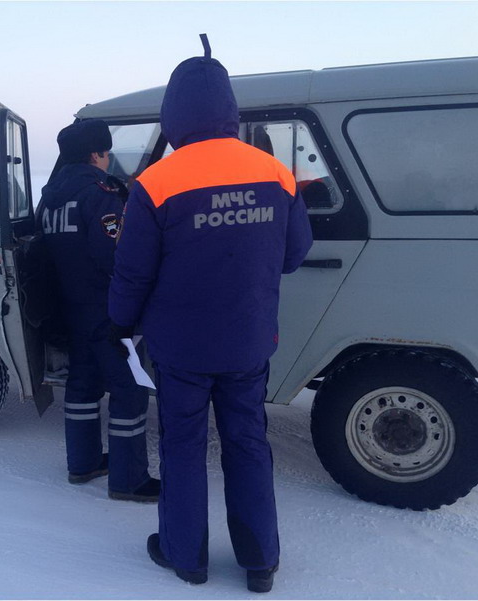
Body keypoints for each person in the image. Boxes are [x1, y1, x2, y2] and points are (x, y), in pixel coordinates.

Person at [108, 39, 313, 592]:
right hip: (249, 342)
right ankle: (259, 562)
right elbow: (294, 255)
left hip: (180, 349)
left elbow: (133, 274)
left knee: (182, 444)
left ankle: (186, 557)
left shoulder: (155, 183)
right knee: (248, 444)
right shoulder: (276, 173)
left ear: (172, 115)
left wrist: (120, 323)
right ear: (230, 109)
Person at [37, 119, 160, 502]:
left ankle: (84, 462)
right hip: (107, 308)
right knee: (129, 390)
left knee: (82, 385)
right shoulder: (101, 193)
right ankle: (128, 479)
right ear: (96, 154)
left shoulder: (51, 195)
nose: (109, 160)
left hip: (70, 306)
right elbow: (115, 256)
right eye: (107, 152)